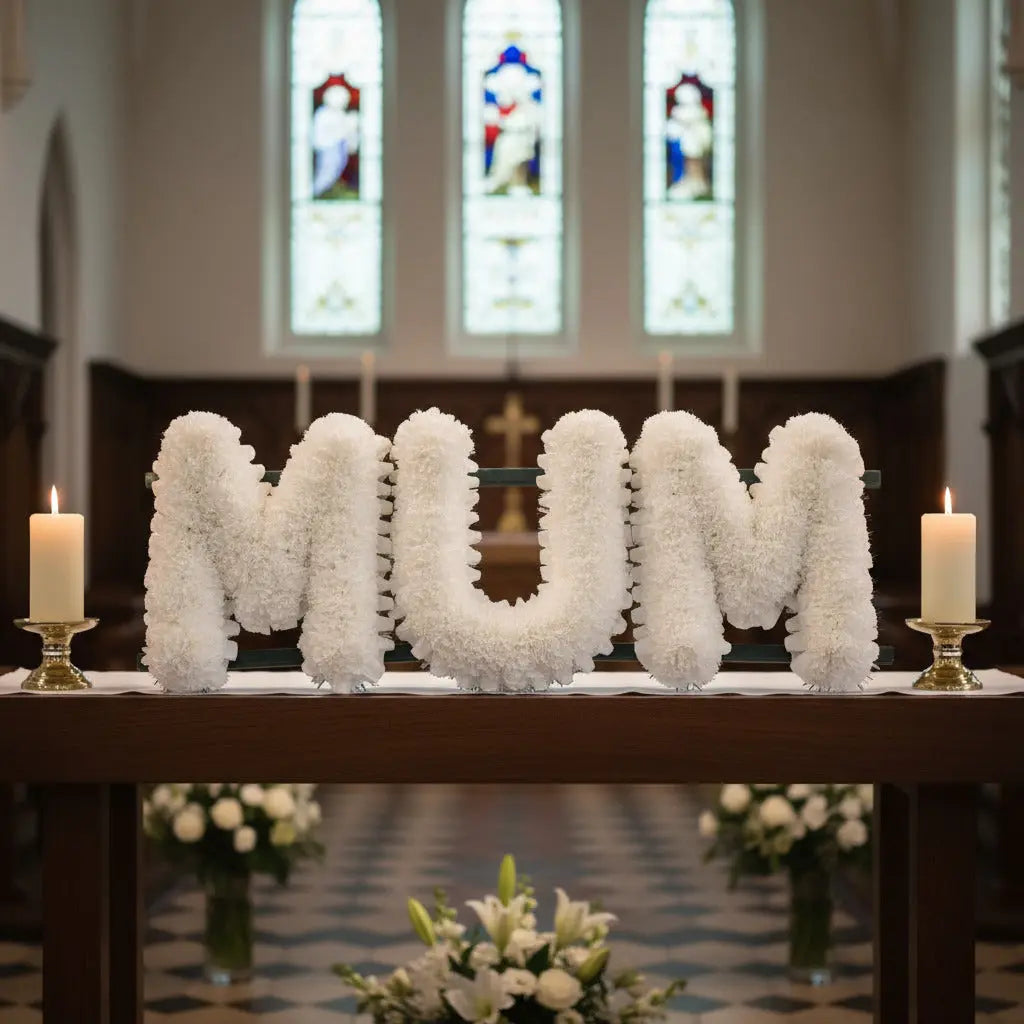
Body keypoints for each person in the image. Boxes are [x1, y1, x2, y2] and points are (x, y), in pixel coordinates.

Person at [666, 81, 712, 200]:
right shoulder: (678, 112)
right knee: (684, 166)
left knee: (695, 166)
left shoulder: (699, 112)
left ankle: (697, 186)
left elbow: (703, 129)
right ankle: (684, 184)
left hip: (694, 145)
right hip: (683, 146)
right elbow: (673, 129)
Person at [312, 83, 360, 198]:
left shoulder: (340, 114)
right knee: (327, 173)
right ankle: (316, 193)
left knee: (335, 170)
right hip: (328, 149)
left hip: (339, 149)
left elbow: (349, 138)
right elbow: (322, 135)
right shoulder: (323, 114)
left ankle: (325, 191)